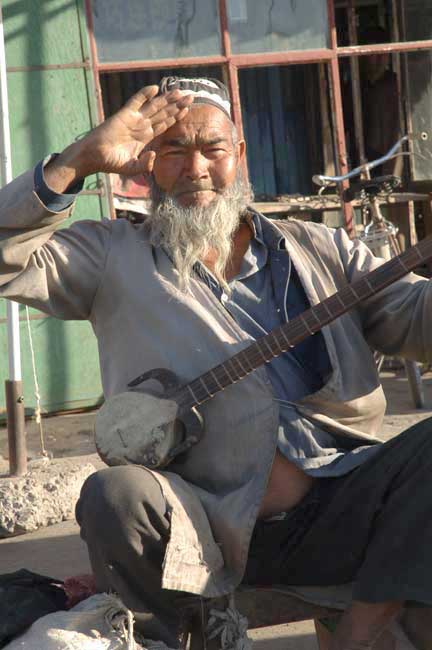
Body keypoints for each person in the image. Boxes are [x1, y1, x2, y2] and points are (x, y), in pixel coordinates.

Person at [0, 76, 432, 650]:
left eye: (212, 149)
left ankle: (361, 628)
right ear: (145, 163)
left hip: (346, 501)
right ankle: (184, 637)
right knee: (115, 495)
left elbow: (414, 315)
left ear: (240, 156)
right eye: (173, 150)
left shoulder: (317, 249)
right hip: (204, 526)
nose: (194, 168)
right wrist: (79, 160)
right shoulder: (110, 256)